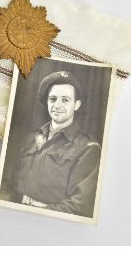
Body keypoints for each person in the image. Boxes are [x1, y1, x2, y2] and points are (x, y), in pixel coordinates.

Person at [9, 71, 101, 218]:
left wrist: (39, 213)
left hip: (47, 219)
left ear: (76, 105)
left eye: (65, 100)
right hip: (13, 211)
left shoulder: (88, 148)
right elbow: (8, 182)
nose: (57, 105)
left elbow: (80, 205)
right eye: (53, 99)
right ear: (47, 102)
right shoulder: (31, 138)